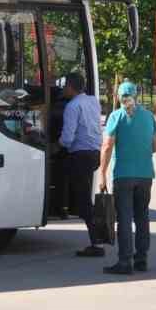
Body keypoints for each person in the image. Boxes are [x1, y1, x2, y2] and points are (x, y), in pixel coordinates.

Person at [97, 80, 156, 275]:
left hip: (123, 174)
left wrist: (102, 173)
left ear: (118, 96)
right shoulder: (149, 116)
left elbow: (107, 146)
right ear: (137, 96)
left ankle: (125, 262)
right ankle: (142, 259)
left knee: (124, 218)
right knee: (142, 217)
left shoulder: (116, 116)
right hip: (145, 174)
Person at [58, 70, 106, 257]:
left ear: (70, 87)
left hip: (80, 155)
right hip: (94, 153)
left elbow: (68, 139)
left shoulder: (72, 106)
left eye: (64, 87)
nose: (63, 90)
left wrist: (54, 145)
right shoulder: (93, 101)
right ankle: (63, 208)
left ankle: (96, 243)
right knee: (82, 193)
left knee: (84, 200)